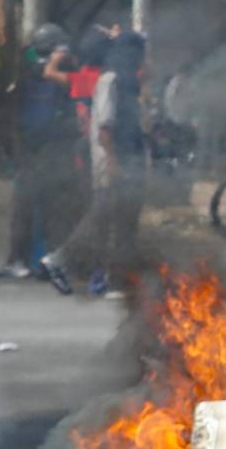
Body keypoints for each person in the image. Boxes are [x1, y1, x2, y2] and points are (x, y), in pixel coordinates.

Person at [41, 32, 148, 298]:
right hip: (112, 160)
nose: (141, 58)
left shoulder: (125, 80)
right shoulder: (110, 80)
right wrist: (112, 162)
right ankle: (62, 260)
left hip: (126, 160)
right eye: (138, 52)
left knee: (123, 222)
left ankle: (116, 279)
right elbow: (105, 129)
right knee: (103, 216)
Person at [5, 23, 79, 279]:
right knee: (24, 205)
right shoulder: (27, 72)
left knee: (52, 206)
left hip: (52, 147)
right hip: (30, 148)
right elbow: (14, 112)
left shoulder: (59, 72)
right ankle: (17, 258)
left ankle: (45, 259)